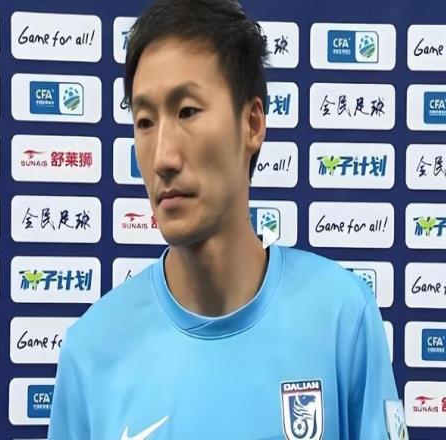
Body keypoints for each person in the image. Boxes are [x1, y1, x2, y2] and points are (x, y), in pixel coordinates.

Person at [48, 1, 405, 439]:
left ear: (252, 124)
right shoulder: (91, 351)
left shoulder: (342, 318)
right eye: (144, 122)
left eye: (187, 112)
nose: (163, 158)